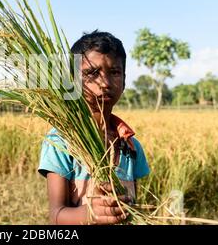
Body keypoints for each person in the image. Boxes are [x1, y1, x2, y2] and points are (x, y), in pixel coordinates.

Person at [38, 31, 150, 225]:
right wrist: (90, 214)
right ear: (73, 82)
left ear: (124, 81)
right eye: (92, 73)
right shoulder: (61, 141)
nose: (105, 83)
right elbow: (56, 216)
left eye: (114, 72)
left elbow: (132, 207)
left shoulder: (131, 146)